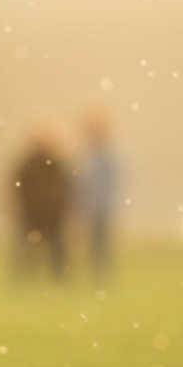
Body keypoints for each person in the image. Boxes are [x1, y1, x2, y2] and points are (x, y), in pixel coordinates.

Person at [11, 128, 74, 279]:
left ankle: (59, 277)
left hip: (51, 216)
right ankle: (25, 276)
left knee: (56, 250)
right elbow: (18, 190)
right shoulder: (29, 165)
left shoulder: (55, 165)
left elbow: (66, 190)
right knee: (28, 249)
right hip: (33, 214)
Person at [78, 110, 120, 280]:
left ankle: (101, 275)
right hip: (90, 207)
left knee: (101, 243)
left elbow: (111, 184)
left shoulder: (107, 156)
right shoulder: (87, 156)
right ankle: (96, 274)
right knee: (92, 244)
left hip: (102, 207)